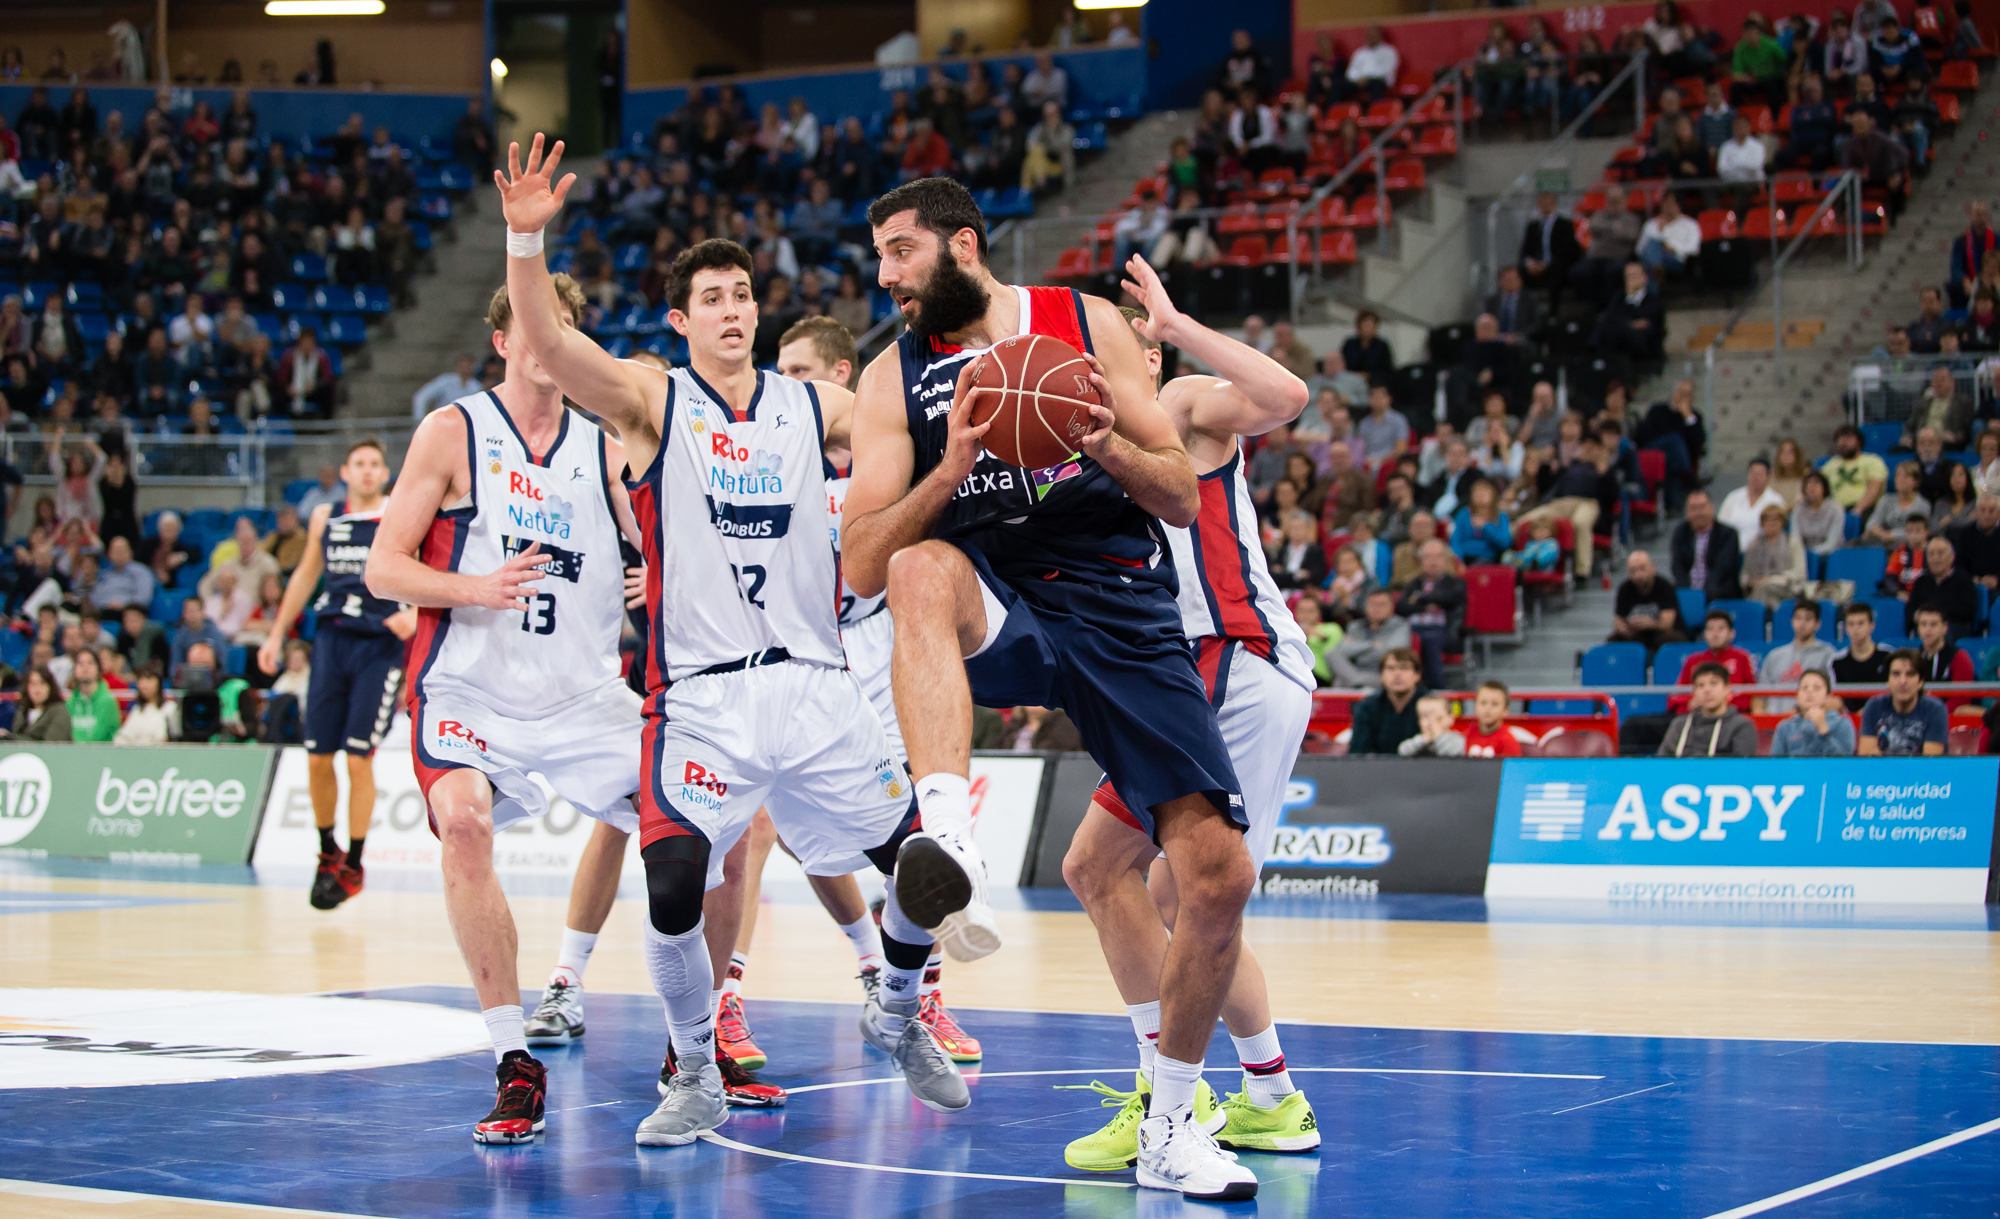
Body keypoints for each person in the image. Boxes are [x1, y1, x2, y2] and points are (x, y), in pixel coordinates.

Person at [500, 150, 959, 1146]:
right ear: (679, 321)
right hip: (701, 700)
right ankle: (696, 1069)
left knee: (926, 869)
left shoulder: (811, 407)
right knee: (671, 889)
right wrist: (525, 238)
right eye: (709, 297)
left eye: (742, 293)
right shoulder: (651, 401)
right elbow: (543, 336)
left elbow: (902, 414)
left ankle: (895, 1006)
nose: (730, 309)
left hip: (815, 690)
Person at [1059, 263, 1323, 1168]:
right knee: (1174, 898)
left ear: (1148, 347)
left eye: (1116, 340)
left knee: (1103, 869)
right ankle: (1270, 1094)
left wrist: (1176, 321)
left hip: (1236, 657)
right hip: (1195, 669)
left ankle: (1169, 1093)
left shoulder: (1180, 402)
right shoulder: (1097, 433)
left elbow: (1286, 392)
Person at [249, 439, 417, 909]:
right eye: (358, 464)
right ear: (345, 471)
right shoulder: (327, 517)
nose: (367, 472)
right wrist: (276, 634)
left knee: (357, 758)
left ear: (385, 473)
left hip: (378, 646)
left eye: (374, 464)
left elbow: (434, 569)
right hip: (330, 641)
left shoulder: (399, 513)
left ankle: (356, 862)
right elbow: (305, 576)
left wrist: (418, 614)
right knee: (317, 758)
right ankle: (327, 851)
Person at [1396, 539, 1465, 690]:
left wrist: (1419, 599)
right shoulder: (1412, 583)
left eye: (1437, 556)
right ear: (1421, 561)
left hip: (1441, 629)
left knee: (1430, 640)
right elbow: (1401, 607)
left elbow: (1448, 598)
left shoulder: (1454, 583)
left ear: (1445, 560)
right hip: (1411, 627)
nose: (1433, 561)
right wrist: (1424, 607)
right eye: (1428, 557)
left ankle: (1434, 689)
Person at [1859, 650, 1949, 755]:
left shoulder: (1935, 709)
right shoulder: (1874, 706)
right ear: (1888, 681)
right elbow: (1865, 758)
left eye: (1910, 674)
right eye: (1896, 674)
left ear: (1920, 682)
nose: (1902, 681)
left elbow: (1930, 763)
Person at [1660, 662, 1759, 756]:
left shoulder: (1742, 726)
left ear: (1727, 689)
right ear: (1694, 692)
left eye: (1714, 683)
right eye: (1700, 685)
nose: (1707, 690)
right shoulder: (1679, 724)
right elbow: (1661, 763)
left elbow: (1742, 768)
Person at [1757, 600, 1836, 713]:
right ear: (1792, 621)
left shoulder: (1828, 654)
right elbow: (1759, 695)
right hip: (1774, 721)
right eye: (1798, 618)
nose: (1802, 623)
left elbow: (1833, 697)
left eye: (1808, 619)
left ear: (1818, 624)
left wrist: (1796, 712)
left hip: (1810, 722)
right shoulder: (1775, 655)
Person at [1330, 587, 1412, 688]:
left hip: (1381, 675)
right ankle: (1356, 681)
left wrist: (1357, 650)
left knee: (1346, 683)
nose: (1377, 609)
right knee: (1331, 654)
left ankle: (1356, 682)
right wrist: (1372, 645)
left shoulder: (1401, 625)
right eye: (1373, 604)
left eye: (1382, 605)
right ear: (1365, 606)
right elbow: (1341, 650)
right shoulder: (1355, 626)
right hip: (1355, 672)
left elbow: (1394, 652)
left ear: (1391, 607)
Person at [1670, 489, 1744, 600]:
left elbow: (1722, 569)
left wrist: (1702, 595)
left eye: (1702, 507)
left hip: (1719, 592)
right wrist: (1688, 593)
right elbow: (1678, 567)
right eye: (1694, 509)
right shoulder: (1680, 533)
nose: (1699, 513)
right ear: (1687, 512)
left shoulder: (1728, 535)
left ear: (1711, 508)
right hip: (1688, 590)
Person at [1348, 648, 1425, 754]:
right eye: (1390, 668)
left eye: (1404, 668)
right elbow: (1358, 752)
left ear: (1417, 675)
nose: (1397, 674)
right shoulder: (1367, 707)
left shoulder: (1432, 705)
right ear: (1381, 675)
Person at [1611, 550, 1685, 653]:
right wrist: (1625, 629)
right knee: (1613, 640)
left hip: (1661, 633)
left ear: (1652, 568)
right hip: (1638, 634)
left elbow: (1668, 623)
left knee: (1670, 639)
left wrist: (1649, 623)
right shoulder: (1624, 589)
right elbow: (1618, 620)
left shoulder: (1665, 587)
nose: (1638, 575)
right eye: (1633, 571)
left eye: (1642, 568)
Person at [1769, 670, 1855, 756]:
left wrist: (1823, 728)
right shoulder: (1785, 727)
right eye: (1805, 687)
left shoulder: (1842, 724)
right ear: (1797, 696)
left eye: (1816, 688)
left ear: (1828, 697)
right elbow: (1775, 765)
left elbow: (1843, 764)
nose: (1809, 691)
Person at [1593, 261, 1666, 361]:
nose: (1631, 279)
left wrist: (1626, 323)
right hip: (1618, 343)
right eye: (1628, 276)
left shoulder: (1653, 302)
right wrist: (1629, 323)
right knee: (1606, 327)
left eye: (1634, 275)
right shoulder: (1618, 299)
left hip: (1644, 346)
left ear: (1644, 278)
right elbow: (1610, 318)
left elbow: (1649, 324)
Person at [1742, 503, 1808, 609]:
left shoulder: (1793, 542)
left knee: (1763, 589)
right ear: (1762, 523)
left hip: (1787, 587)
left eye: (1776, 520)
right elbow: (1744, 575)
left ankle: (1766, 618)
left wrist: (1769, 580)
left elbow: (1799, 573)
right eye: (1767, 520)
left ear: (1783, 522)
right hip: (1758, 587)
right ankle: (1772, 618)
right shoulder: (1754, 544)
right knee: (1761, 590)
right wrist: (1749, 582)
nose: (1771, 523)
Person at [1824, 424, 1889, 514]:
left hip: (1865, 509)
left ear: (1858, 441)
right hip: (1835, 510)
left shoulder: (1872, 461)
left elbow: (1874, 488)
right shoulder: (1829, 465)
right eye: (1841, 438)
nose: (1844, 442)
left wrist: (1858, 509)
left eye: (1849, 438)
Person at [1637, 193, 1702, 283]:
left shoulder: (1690, 224)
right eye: (1665, 204)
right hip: (1651, 259)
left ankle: (1655, 271)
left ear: (1678, 205)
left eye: (1670, 203)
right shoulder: (1651, 225)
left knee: (1647, 264)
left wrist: (1672, 247)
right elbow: (1639, 249)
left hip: (1677, 259)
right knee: (1652, 244)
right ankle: (1657, 268)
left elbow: (1694, 248)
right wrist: (1659, 232)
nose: (1668, 207)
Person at [1865, 460, 1932, 546]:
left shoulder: (1923, 505)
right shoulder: (1886, 500)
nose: (1900, 480)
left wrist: (1892, 535)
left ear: (1915, 481)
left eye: (1906, 476)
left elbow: (1919, 531)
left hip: (1910, 546)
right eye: (1897, 476)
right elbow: (1871, 524)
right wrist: (1880, 533)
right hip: (1884, 543)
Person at [64, 647, 120, 742]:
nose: (85, 667)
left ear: (98, 669)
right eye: (80, 663)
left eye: (90, 663)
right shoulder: (68, 703)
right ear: (74, 670)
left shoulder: (107, 702)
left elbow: (98, 737)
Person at [1948, 200, 1996, 310]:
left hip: (1993, 280)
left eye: (1983, 214)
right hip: (1969, 282)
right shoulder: (1962, 241)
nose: (1981, 217)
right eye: (1977, 214)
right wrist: (1966, 282)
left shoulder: (1996, 239)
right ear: (1971, 216)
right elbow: (1956, 267)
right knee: (1954, 287)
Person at [113, 664, 176, 745]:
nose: (144, 684)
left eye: (149, 679)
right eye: (141, 680)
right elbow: (123, 737)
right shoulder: (137, 710)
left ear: (159, 683)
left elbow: (174, 739)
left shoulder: (169, 708)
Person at [1460, 680, 1522, 756]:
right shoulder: (1468, 734)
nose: (1488, 708)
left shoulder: (1508, 742)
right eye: (1483, 702)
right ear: (1475, 706)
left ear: (1506, 710)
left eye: (1494, 704)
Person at [6, 667, 69, 742]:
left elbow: (52, 745)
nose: (37, 688)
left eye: (42, 683)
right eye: (33, 684)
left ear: (50, 687)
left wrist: (11, 737)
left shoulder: (59, 711)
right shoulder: (22, 711)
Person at [1792, 470, 1846, 558]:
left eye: (1816, 484)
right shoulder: (1798, 511)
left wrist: (1811, 553)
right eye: (1808, 484)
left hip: (1830, 555)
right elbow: (1795, 540)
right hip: (1805, 556)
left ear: (1824, 487)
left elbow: (1832, 543)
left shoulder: (1835, 509)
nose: (1811, 487)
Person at [412, 353, 482, 419]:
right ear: (458, 366)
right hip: (443, 422)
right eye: (464, 365)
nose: (466, 368)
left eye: (469, 365)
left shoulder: (477, 386)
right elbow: (421, 397)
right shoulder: (445, 381)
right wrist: (419, 420)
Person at [1270, 512, 1327, 591]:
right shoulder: (1282, 551)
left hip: (1303, 593)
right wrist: (1296, 575)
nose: (1296, 531)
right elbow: (1275, 575)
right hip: (1282, 591)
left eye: (1299, 527)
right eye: (1293, 527)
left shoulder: (1315, 552)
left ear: (1307, 529)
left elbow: (1315, 577)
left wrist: (1286, 575)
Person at [1397, 694, 1466, 757]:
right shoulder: (1419, 741)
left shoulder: (1457, 739)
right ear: (1419, 722)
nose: (1431, 722)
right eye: (1424, 716)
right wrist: (1424, 740)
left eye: (1438, 718)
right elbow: (1403, 750)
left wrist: (1437, 736)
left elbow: (1450, 753)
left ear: (1450, 719)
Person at [1346, 26, 1400, 102]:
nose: (1371, 37)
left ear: (1380, 35)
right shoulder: (1360, 52)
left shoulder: (1389, 52)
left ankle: (1378, 110)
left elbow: (1386, 71)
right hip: (1360, 82)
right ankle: (1336, 111)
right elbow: (1351, 72)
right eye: (1369, 34)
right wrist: (1357, 79)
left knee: (1376, 84)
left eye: (1373, 34)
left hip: (1380, 82)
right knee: (1337, 85)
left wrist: (1367, 78)